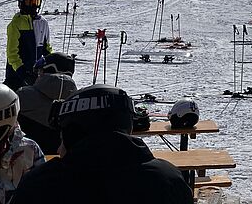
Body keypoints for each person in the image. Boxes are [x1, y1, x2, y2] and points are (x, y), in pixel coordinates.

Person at [10, 85, 193, 204]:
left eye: (62, 137)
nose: (58, 149)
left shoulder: (41, 184)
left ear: (73, 135)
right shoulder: (168, 180)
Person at [17, 53, 77, 155]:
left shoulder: (23, 95)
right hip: (64, 164)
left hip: (27, 161)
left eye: (40, 71)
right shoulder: (80, 101)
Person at [5, 0, 52, 92]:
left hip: (36, 73)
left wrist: (51, 62)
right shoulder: (16, 24)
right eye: (30, 2)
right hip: (17, 74)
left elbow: (47, 47)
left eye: (36, 2)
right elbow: (12, 53)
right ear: (21, 3)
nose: (34, 6)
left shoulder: (42, 23)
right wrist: (21, 71)